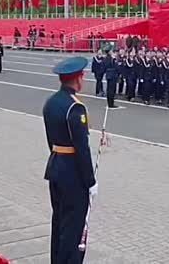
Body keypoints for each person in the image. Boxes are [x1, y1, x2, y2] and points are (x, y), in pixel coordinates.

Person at [42, 57, 97, 264]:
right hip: (73, 175)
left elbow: (51, 140)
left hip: (56, 166)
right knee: (73, 228)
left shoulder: (51, 102)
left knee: (59, 222)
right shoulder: (76, 108)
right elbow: (82, 148)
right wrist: (90, 181)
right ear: (78, 79)